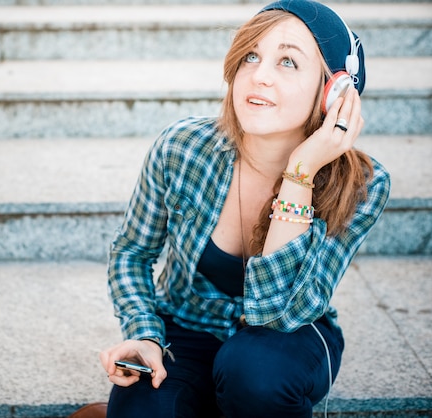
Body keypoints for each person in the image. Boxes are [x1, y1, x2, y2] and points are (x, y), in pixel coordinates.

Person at [98, 0, 391, 417]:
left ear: (335, 94)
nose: (259, 76)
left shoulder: (362, 185)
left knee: (254, 373)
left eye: (287, 62)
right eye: (251, 55)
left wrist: (300, 173)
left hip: (289, 338)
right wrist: (144, 334)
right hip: (186, 326)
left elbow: (278, 315)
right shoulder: (183, 147)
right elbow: (132, 252)